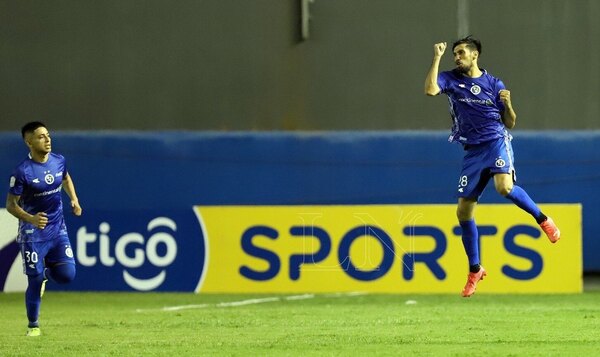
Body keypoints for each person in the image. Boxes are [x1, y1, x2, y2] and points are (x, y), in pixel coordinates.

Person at [424, 36, 560, 297]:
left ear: (475, 55)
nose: (457, 57)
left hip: (496, 142)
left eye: (461, 52)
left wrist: (507, 103)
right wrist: (437, 57)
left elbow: (509, 122)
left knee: (504, 186)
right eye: (455, 53)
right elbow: (430, 89)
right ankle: (475, 269)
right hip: (472, 151)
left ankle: (543, 219)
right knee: (463, 213)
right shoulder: (450, 78)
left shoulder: (493, 83)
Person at [5, 121, 82, 336]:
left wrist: (74, 200)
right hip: (33, 235)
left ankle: (46, 272)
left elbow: (65, 178)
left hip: (58, 230)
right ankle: (33, 325)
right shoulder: (22, 172)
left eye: (48, 135)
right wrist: (30, 218)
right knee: (34, 279)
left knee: (68, 275)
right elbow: (11, 205)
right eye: (40, 136)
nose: (47, 139)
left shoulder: (59, 161)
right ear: (28, 141)